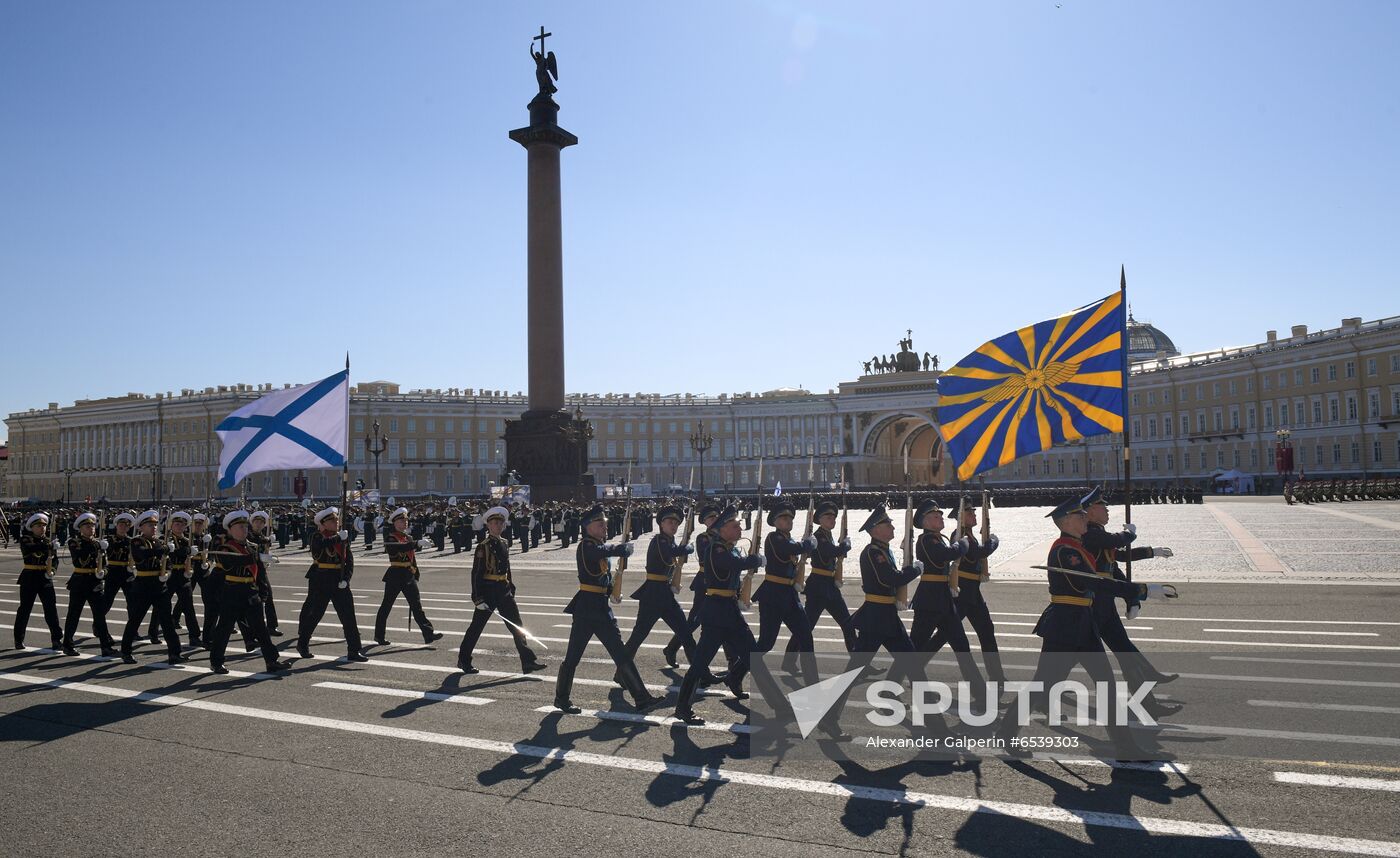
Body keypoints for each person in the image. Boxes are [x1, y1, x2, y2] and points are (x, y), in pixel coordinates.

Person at [995, 492, 1169, 758]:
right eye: (1080, 515)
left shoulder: (1079, 547)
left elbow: (1109, 570)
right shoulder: (1065, 551)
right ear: (1066, 522)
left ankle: (1125, 744)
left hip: (1083, 626)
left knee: (1107, 685)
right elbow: (1094, 582)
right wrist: (1141, 590)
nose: (1085, 517)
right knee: (1042, 685)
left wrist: (1135, 590)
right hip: (1064, 628)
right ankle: (1005, 733)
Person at [553, 504, 663, 714]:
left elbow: (602, 575)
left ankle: (642, 698)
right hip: (586, 608)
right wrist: (620, 549)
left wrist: (613, 589)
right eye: (599, 523)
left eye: (604, 523)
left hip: (601, 607)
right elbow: (599, 553)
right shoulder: (586, 546)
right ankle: (561, 698)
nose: (605, 526)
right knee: (573, 656)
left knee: (620, 653)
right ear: (588, 527)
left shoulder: (599, 546)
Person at [673, 506, 763, 724]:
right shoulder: (715, 549)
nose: (739, 528)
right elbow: (731, 564)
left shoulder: (729, 547)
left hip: (729, 611)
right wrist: (755, 561)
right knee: (699, 664)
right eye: (735, 526)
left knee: (753, 655)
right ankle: (683, 707)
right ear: (722, 530)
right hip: (716, 613)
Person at [618, 503, 717, 684]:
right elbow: (669, 552)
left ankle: (701, 673)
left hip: (665, 594)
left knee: (686, 634)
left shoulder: (669, 540)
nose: (673, 525)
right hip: (653, 596)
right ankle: (621, 672)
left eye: (676, 523)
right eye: (669, 521)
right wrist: (685, 548)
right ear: (661, 524)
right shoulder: (659, 540)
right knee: (638, 636)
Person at [456, 506, 544, 674]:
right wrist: (477, 597)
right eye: (495, 523)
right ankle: (463, 659)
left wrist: (510, 586)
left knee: (517, 625)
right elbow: (476, 573)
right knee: (476, 627)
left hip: (503, 589)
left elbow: (507, 568)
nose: (498, 525)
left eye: (501, 523)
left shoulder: (504, 543)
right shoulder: (483, 546)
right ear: (488, 525)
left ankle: (528, 661)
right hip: (488, 590)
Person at [205, 509, 292, 675]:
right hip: (232, 591)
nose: (244, 529)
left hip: (250, 591)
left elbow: (258, 572)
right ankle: (216, 662)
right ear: (229, 530)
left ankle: (271, 660)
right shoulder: (225, 548)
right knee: (224, 629)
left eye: (245, 526)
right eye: (239, 527)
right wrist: (256, 558)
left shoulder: (253, 547)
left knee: (261, 629)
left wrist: (263, 590)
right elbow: (232, 563)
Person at [296, 506, 370, 662]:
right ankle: (302, 643)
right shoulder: (317, 536)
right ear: (323, 523)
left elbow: (349, 560)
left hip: (338, 578)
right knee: (316, 614)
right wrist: (339, 538)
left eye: (337, 519)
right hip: (321, 579)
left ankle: (354, 650)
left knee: (348, 616)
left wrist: (346, 579)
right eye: (332, 520)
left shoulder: (341, 537)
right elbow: (319, 548)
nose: (336, 522)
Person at [850, 505, 923, 654]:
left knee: (910, 660)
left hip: (887, 615)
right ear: (876, 530)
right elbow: (891, 578)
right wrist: (915, 570)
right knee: (857, 668)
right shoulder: (873, 552)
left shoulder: (884, 551)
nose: (893, 527)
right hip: (875, 617)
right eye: (888, 524)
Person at [754, 500, 816, 672]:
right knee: (766, 643)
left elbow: (797, 552)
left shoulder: (790, 539)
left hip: (789, 595)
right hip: (773, 596)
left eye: (790, 518)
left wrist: (807, 549)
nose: (788, 521)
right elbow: (790, 549)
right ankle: (736, 674)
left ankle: (811, 677)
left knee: (805, 634)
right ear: (775, 522)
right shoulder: (774, 538)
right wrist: (807, 544)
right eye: (783, 518)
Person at [117, 510, 184, 665]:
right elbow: (142, 554)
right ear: (141, 527)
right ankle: (126, 651)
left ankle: (175, 653)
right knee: (135, 620)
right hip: (143, 585)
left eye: (155, 525)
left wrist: (167, 572)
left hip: (159, 585)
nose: (154, 528)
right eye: (150, 525)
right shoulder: (136, 541)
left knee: (167, 621)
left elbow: (168, 561)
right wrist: (164, 549)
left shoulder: (159, 542)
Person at [374, 507, 443, 646]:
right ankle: (379, 635)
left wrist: (416, 573)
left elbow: (412, 557)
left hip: (408, 575)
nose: (404, 523)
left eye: (405, 520)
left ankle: (428, 634)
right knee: (386, 606)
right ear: (394, 523)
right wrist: (416, 543)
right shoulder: (391, 537)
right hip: (395, 575)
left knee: (417, 606)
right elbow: (399, 548)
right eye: (401, 521)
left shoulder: (408, 537)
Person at [803, 501, 856, 650]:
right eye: (828, 517)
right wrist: (844, 546)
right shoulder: (819, 537)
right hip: (818, 587)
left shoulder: (828, 535)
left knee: (847, 623)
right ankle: (789, 660)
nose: (832, 520)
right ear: (819, 519)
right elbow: (831, 551)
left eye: (833, 517)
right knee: (806, 627)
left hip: (829, 586)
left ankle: (858, 661)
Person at [62, 512, 116, 656]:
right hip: (79, 581)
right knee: (74, 615)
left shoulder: (98, 543)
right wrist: (98, 546)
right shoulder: (74, 542)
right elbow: (79, 555)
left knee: (99, 616)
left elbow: (106, 565)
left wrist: (103, 572)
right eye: (87, 526)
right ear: (80, 528)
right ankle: (67, 644)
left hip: (95, 582)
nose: (91, 529)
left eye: (92, 526)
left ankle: (105, 646)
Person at [13, 512, 64, 651]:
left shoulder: (48, 541)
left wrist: (52, 570)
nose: (42, 529)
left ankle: (56, 639)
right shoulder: (26, 539)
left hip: (44, 577)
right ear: (32, 527)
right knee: (25, 609)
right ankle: (19, 638)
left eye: (44, 526)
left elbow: (55, 560)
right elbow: (31, 549)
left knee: (51, 609)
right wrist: (49, 546)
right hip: (29, 577)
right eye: (38, 526)